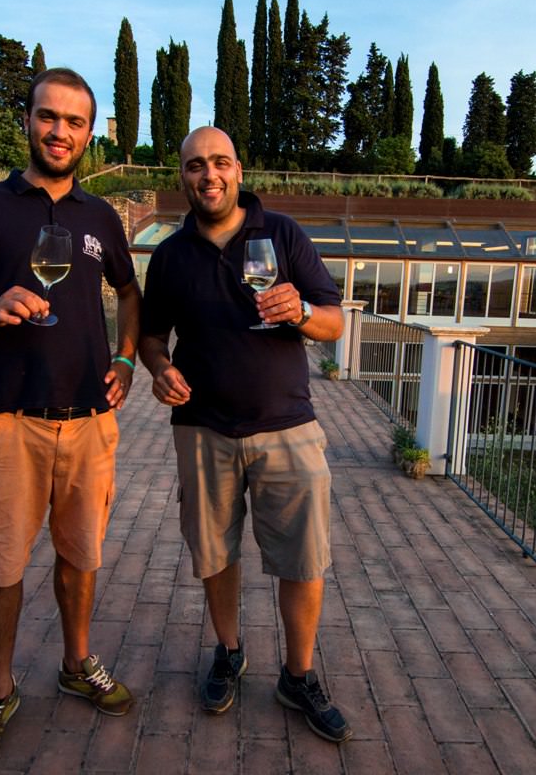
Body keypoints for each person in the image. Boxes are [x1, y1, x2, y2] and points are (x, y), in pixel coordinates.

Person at [0, 67, 141, 769]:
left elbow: (127, 289)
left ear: (90, 133)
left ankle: (76, 661)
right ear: (25, 121)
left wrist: (125, 360)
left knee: (80, 558)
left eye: (75, 122)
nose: (60, 131)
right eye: (47, 117)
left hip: (89, 419)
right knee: (1, 569)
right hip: (8, 417)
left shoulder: (100, 217)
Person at [139, 126, 351, 743]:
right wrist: (159, 368)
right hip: (203, 429)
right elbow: (153, 337)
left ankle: (298, 674)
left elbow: (333, 322)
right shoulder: (172, 256)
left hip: (287, 425)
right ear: (182, 176)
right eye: (196, 165)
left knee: (303, 559)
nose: (209, 175)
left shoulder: (281, 233)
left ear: (239, 170)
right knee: (215, 552)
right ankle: (229, 651)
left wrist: (303, 313)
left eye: (221, 163)